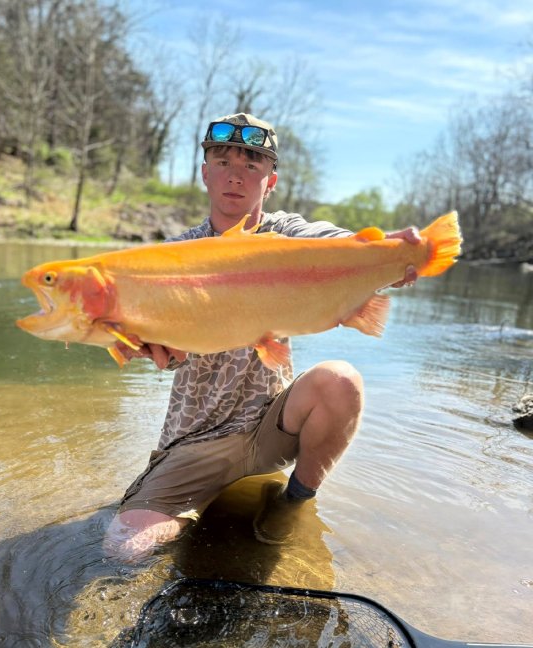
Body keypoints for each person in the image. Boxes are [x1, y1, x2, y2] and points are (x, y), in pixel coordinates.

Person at [102, 113, 420, 561]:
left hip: (273, 427)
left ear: (270, 182)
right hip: (196, 440)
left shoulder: (287, 235)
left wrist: (385, 252)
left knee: (340, 380)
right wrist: (138, 343)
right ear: (205, 173)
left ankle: (294, 503)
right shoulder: (173, 258)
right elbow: (168, 354)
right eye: (223, 162)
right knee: (124, 549)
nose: (236, 175)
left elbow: (336, 245)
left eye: (252, 165)